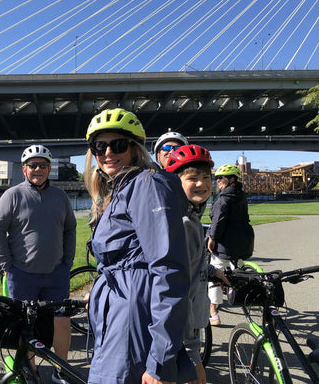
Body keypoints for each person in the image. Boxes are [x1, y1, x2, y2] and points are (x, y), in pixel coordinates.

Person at [84, 108, 195, 384]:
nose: (108, 152)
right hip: (118, 311)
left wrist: (160, 361)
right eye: (100, 146)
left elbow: (168, 270)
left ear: (134, 149)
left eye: (117, 144)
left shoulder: (147, 184)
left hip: (133, 318)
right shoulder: (120, 189)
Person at [0, 144, 76, 384]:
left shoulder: (61, 196)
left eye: (43, 165)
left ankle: (62, 369)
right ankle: (30, 371)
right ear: (25, 169)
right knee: (25, 326)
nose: (38, 169)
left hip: (56, 274)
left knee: (62, 321)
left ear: (50, 169)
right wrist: (6, 265)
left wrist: (67, 262)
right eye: (32, 165)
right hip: (22, 273)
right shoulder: (12, 195)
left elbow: (70, 229)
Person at [166, 145, 229, 384]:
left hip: (186, 334)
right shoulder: (183, 223)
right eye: (192, 178)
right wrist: (194, 358)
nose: (201, 184)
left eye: (206, 177)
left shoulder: (190, 217)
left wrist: (212, 270)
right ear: (176, 183)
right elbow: (178, 294)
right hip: (183, 337)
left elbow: (191, 265)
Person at [206, 164, 254, 326]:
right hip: (243, 242)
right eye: (216, 178)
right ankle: (241, 299)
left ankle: (213, 312)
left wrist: (211, 237)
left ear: (231, 179)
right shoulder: (241, 196)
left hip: (225, 244)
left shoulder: (223, 198)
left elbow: (218, 222)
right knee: (237, 272)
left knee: (214, 275)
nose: (217, 180)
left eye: (221, 178)